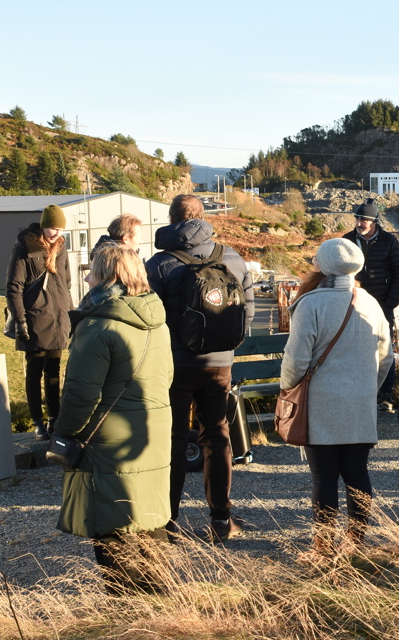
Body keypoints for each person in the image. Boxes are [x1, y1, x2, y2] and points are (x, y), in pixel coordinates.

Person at [55, 244, 174, 594]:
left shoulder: (97, 326)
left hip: (108, 442)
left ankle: (127, 615)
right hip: (151, 433)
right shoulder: (158, 322)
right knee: (149, 521)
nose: (88, 277)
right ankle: (164, 610)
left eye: (92, 271)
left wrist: (63, 435)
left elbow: (80, 395)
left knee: (113, 529)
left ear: (106, 276)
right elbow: (165, 377)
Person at [146, 194, 254, 542]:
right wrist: (226, 347)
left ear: (171, 218)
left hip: (176, 365)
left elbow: (151, 318)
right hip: (219, 365)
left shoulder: (160, 263)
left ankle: (168, 521)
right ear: (202, 217)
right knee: (217, 435)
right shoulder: (232, 258)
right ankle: (221, 520)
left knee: (173, 440)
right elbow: (247, 311)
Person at [281, 239, 393, 553]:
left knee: (324, 477)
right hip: (360, 402)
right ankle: (356, 541)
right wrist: (369, 387)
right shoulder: (369, 302)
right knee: (357, 472)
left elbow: (296, 361)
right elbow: (386, 357)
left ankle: (323, 546)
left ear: (324, 266)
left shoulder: (311, 304)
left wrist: (287, 389)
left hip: (321, 404)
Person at [5, 204, 72, 440]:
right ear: (44, 226)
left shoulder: (62, 248)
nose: (56, 233)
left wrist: (70, 314)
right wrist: (20, 320)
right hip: (34, 319)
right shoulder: (25, 247)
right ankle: (37, 422)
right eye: (52, 227)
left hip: (57, 319)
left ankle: (55, 418)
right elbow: (14, 287)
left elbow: (66, 284)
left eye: (60, 228)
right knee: (34, 371)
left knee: (54, 370)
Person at [343, 198, 399, 412]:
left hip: (382, 306)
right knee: (353, 350)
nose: (360, 223)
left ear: (375, 221)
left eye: (365, 220)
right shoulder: (347, 241)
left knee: (384, 350)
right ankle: (359, 395)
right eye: (358, 218)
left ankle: (385, 396)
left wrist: (390, 303)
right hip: (353, 306)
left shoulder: (389, 241)